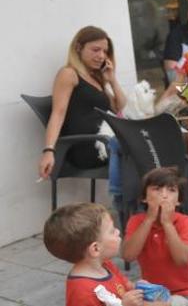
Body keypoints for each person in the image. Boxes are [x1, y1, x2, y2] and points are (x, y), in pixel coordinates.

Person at [38, 26, 126, 197]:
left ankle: (138, 205)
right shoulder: (68, 74)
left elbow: (118, 107)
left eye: (105, 51)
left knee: (144, 145)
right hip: (87, 147)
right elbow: (58, 114)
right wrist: (48, 150)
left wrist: (112, 80)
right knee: (139, 149)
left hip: (106, 143)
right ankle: (128, 206)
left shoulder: (95, 77)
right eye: (95, 49)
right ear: (78, 48)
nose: (101, 55)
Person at [122, 167, 188, 306]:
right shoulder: (136, 221)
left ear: (178, 201)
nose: (164, 195)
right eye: (157, 189)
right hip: (152, 292)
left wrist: (167, 223)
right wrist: (149, 220)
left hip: (184, 293)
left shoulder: (185, 222)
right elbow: (128, 255)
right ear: (144, 198)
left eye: (171, 190)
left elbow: (182, 259)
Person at [43, 203, 145, 306]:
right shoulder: (82, 292)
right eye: (112, 231)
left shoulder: (105, 265)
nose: (118, 232)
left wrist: (138, 288)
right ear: (95, 249)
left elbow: (125, 285)